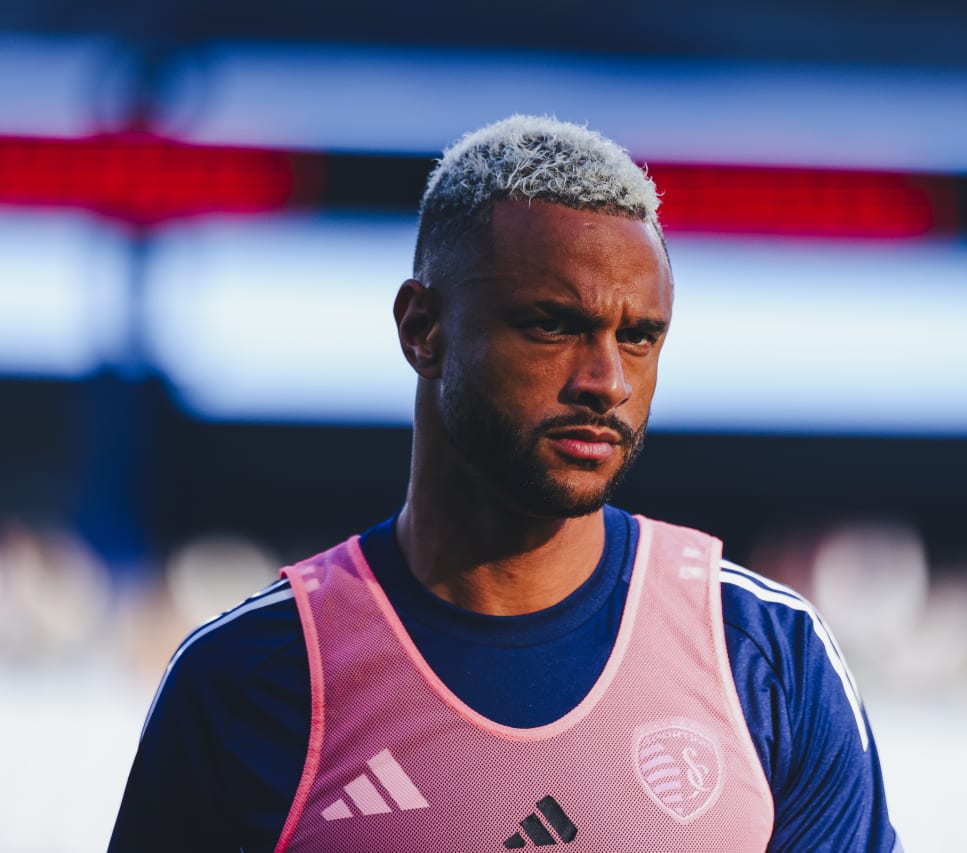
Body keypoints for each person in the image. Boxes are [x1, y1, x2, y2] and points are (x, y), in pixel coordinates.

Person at [110, 115, 901, 852]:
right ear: (423, 329)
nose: (607, 380)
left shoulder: (768, 656)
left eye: (639, 337)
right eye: (553, 325)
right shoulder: (248, 679)